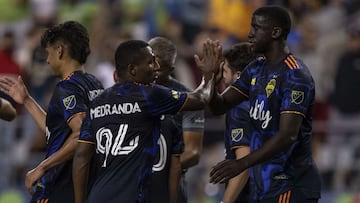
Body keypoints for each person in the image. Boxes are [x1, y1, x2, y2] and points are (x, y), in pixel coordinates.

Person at [72, 39, 220, 203]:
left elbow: (81, 157)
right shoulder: (150, 95)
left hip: (99, 196)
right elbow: (201, 98)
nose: (156, 67)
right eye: (150, 62)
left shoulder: (96, 104)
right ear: (132, 70)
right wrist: (209, 74)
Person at [207, 6, 322, 203]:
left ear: (275, 32)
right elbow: (220, 106)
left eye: (256, 28)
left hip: (291, 185)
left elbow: (288, 135)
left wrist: (241, 164)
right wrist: (210, 78)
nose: (250, 33)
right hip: (266, 186)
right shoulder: (255, 68)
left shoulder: (295, 75)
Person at [0, 21, 104, 203]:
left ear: (59, 51)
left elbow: (80, 134)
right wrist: (27, 100)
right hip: (85, 183)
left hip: (60, 184)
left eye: (48, 53)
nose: (47, 60)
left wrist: (41, 167)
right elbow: (57, 132)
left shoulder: (67, 88)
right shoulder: (94, 83)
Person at [148, 36, 205, 203]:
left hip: (169, 185)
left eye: (159, 68)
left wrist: (157, 170)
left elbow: (193, 153)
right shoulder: (131, 91)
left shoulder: (188, 99)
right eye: (150, 64)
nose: (153, 71)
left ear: (171, 69)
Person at [219, 42, 256, 203]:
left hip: (250, 194)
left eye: (225, 71)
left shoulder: (239, 109)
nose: (222, 77)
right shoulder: (267, 102)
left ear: (238, 76)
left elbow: (243, 163)